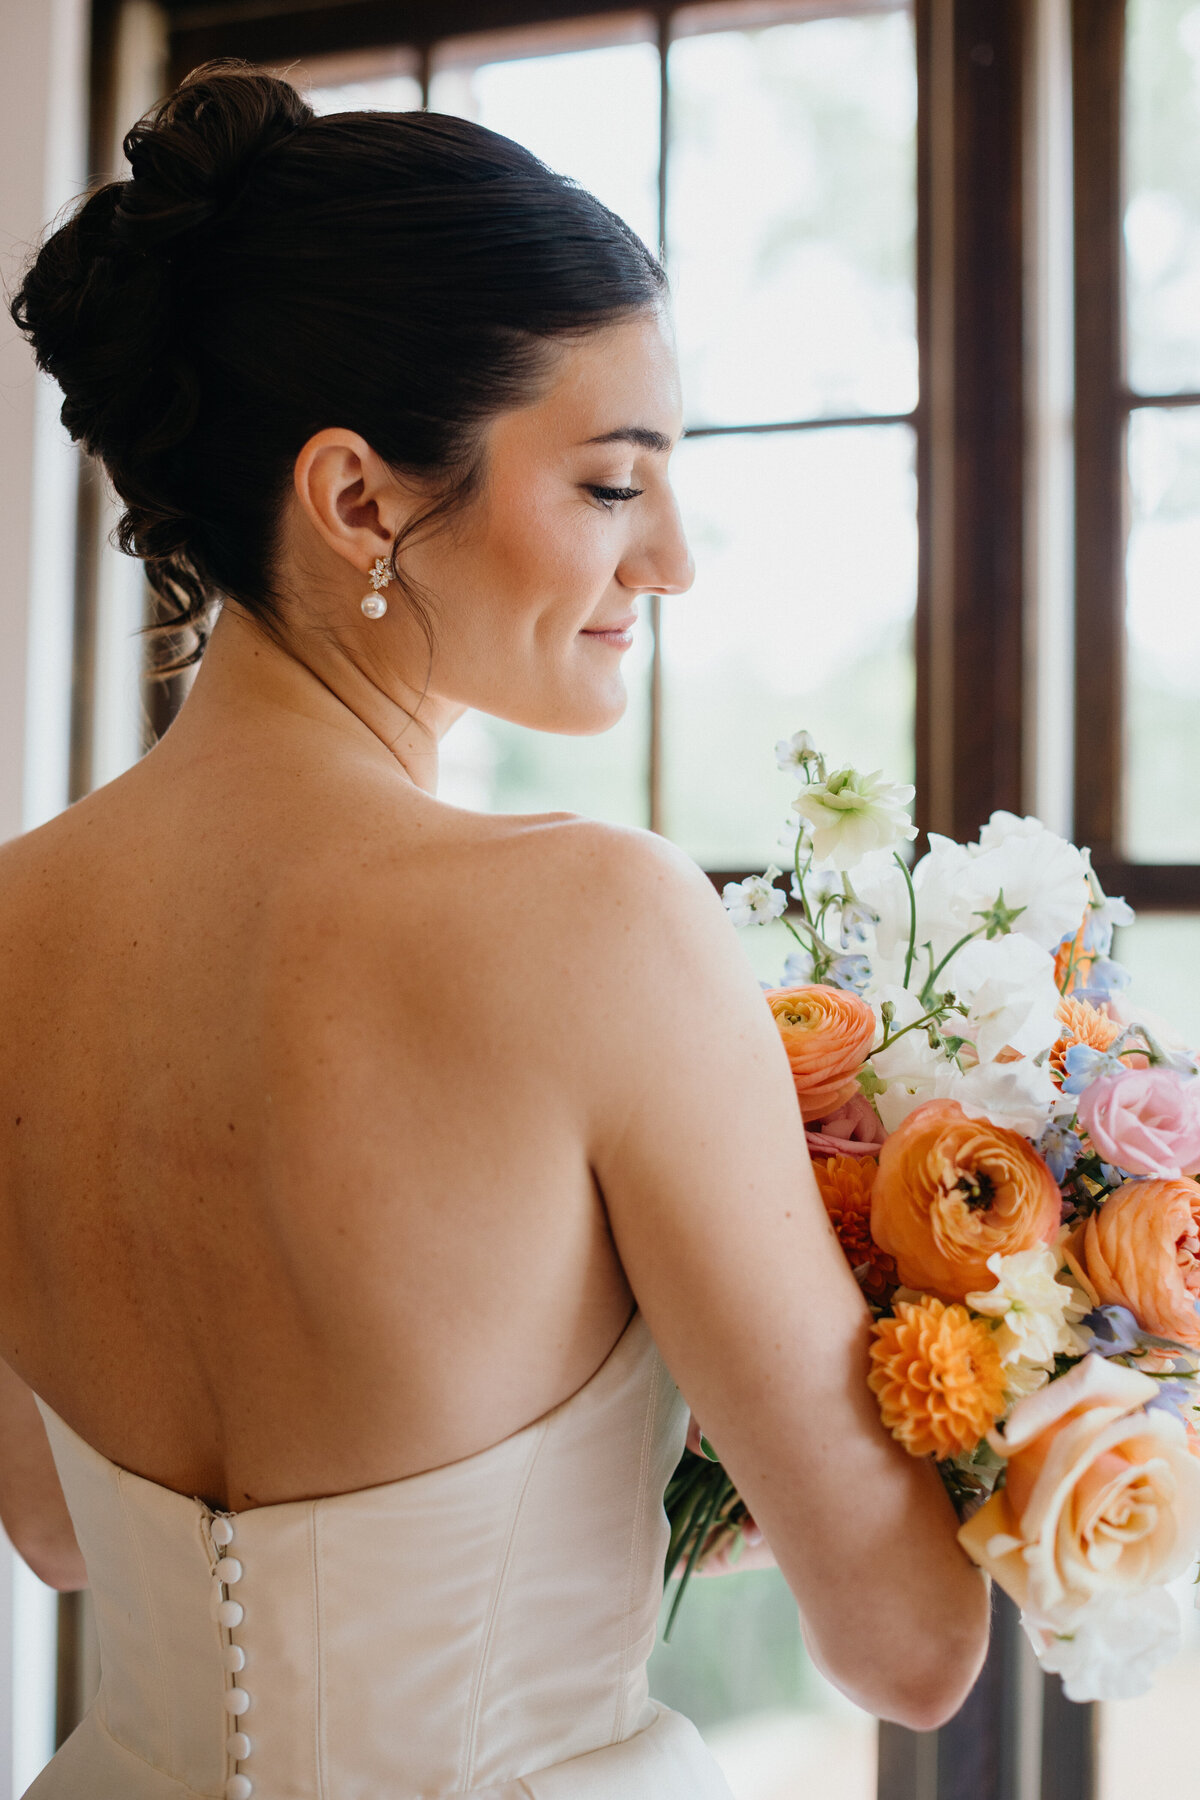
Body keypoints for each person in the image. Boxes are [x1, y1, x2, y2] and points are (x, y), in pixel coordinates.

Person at [1, 61, 989, 1800]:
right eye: (613, 486)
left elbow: (53, 1523)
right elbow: (907, 1650)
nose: (670, 559)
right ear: (361, 499)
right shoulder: (594, 928)